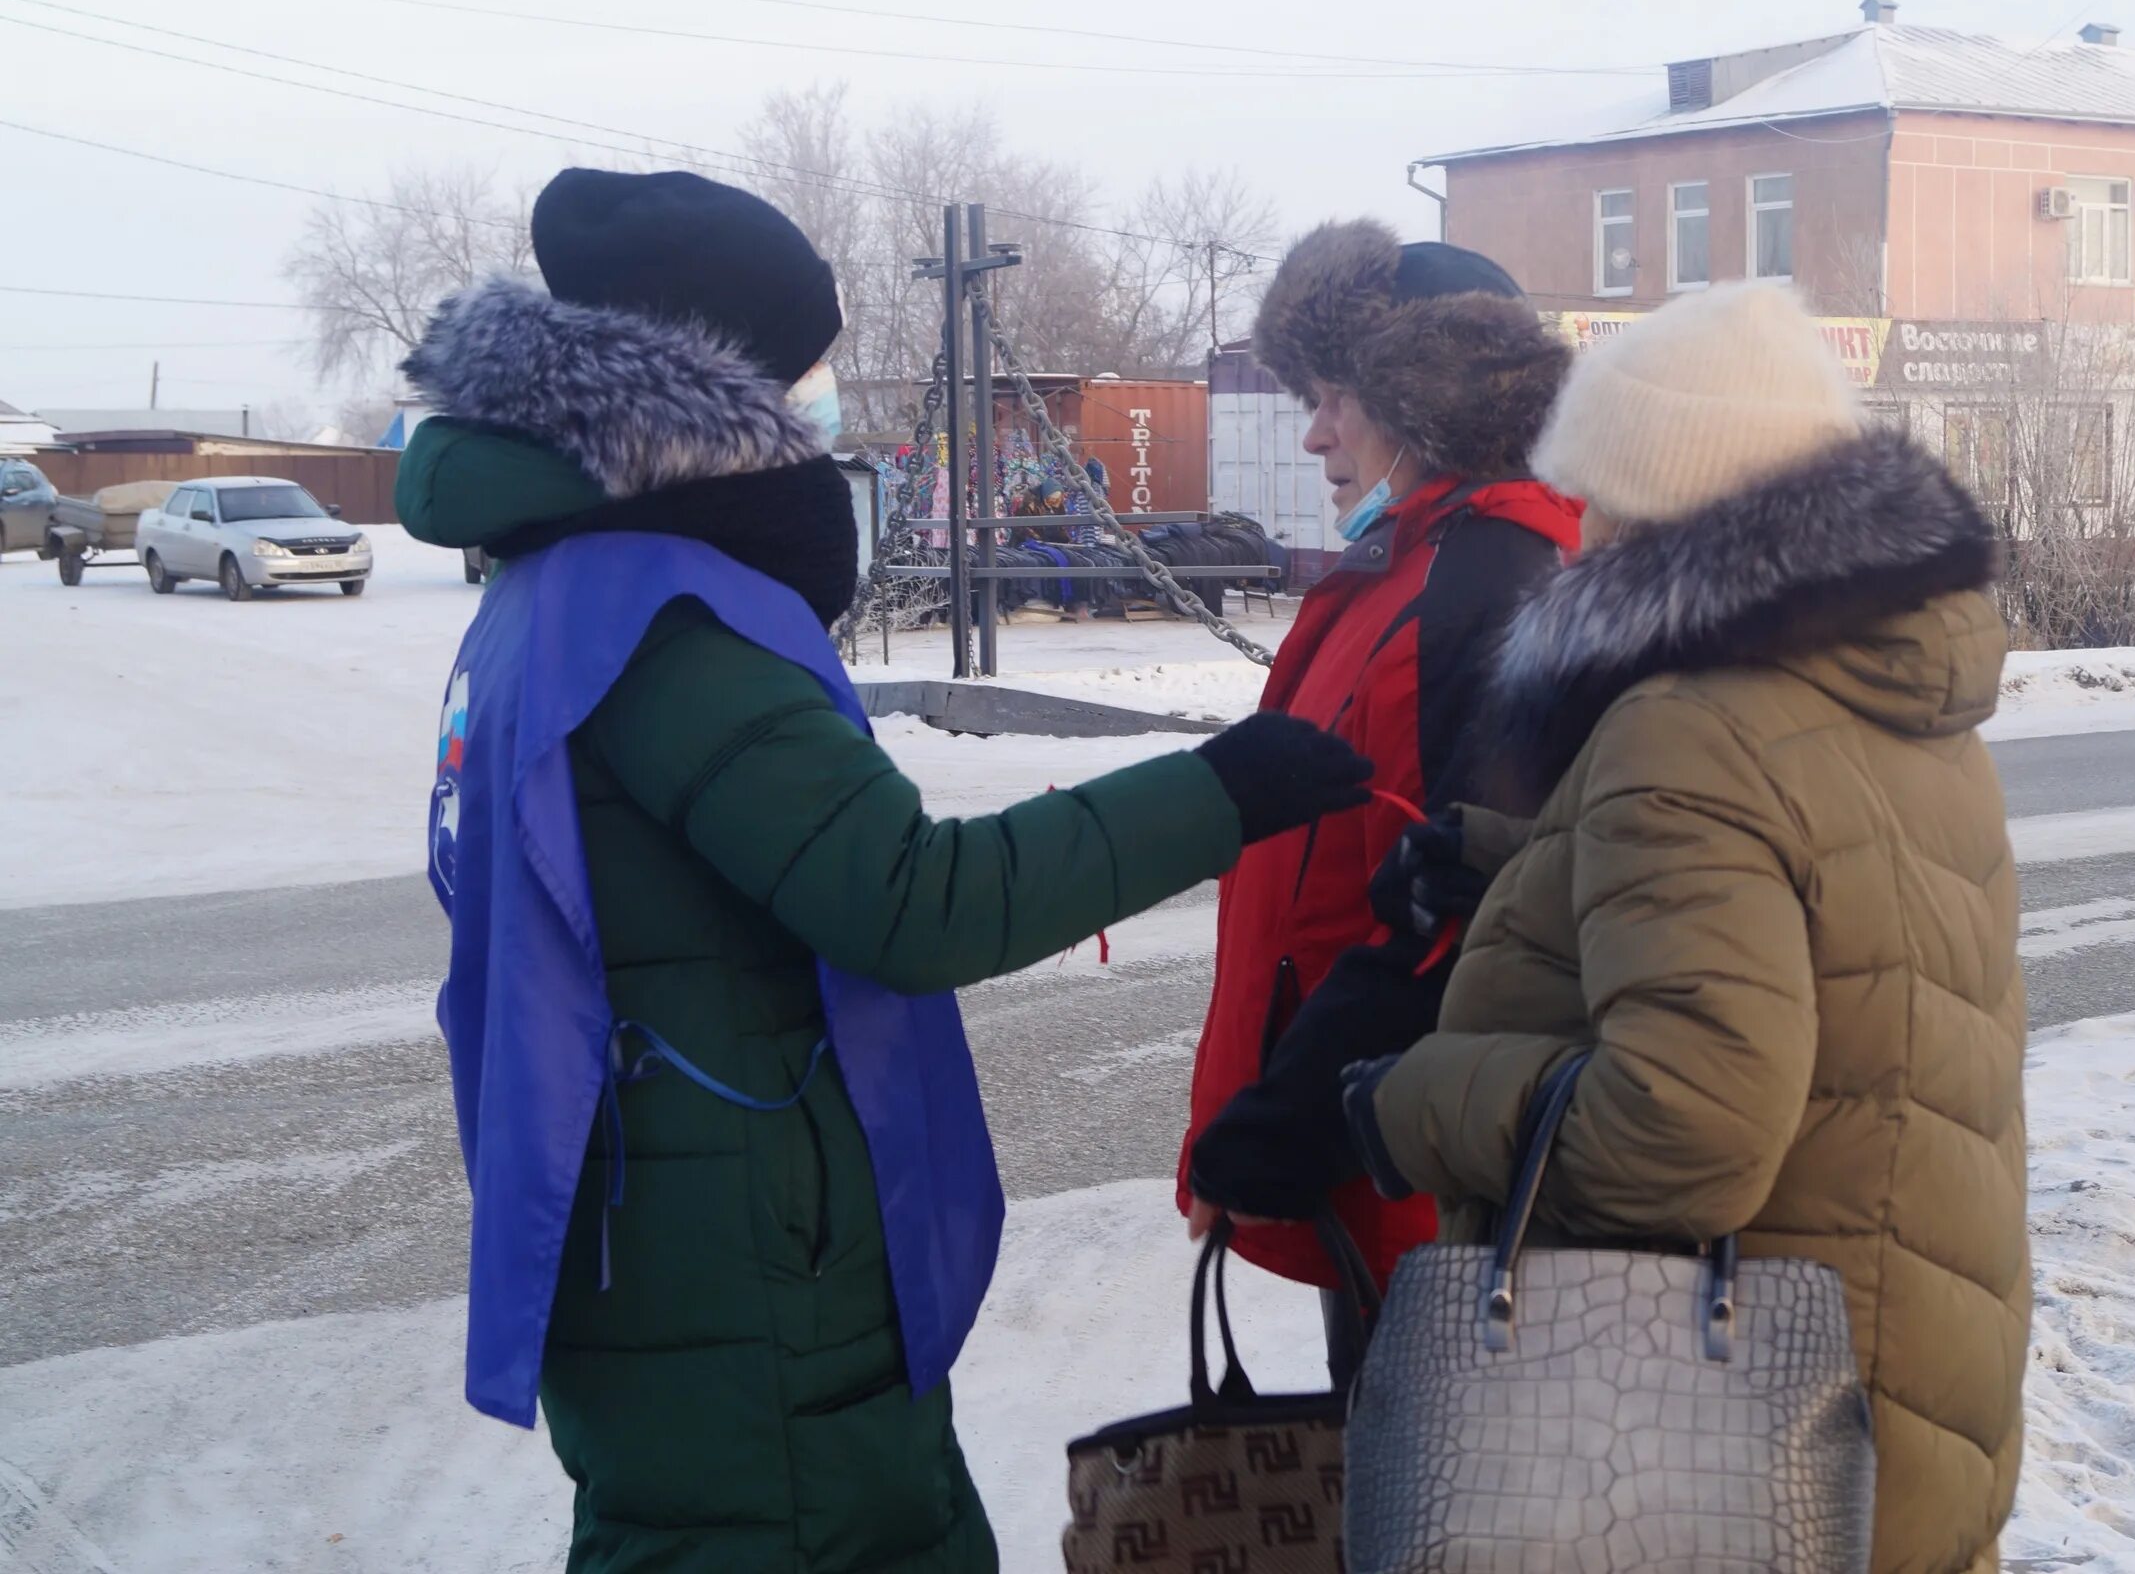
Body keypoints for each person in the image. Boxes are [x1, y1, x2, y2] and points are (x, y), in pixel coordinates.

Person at [397, 168, 1371, 1574]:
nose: (818, 412)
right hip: (740, 1266)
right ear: (705, 390)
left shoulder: (553, 589)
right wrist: (1223, 789)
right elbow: (908, 900)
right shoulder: (664, 624)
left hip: (661, 1226)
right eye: (802, 377)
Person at [1343, 284, 2029, 1572]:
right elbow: (1814, 919)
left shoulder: (1689, 729)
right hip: (1902, 1365)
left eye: (1596, 494)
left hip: (1737, 1436)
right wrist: (1525, 870)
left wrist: (1417, 1099)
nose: (1572, 531)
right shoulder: (1875, 686)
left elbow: (1688, 1127)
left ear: (1665, 505)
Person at [1179, 220, 1579, 1366]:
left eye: (1333, 395)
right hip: (1369, 1152)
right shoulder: (1409, 561)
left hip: (1423, 1178)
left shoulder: (1492, 578)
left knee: (1439, 1505)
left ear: (1423, 393)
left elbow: (1475, 904)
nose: (1312, 434)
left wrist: (1285, 1126)